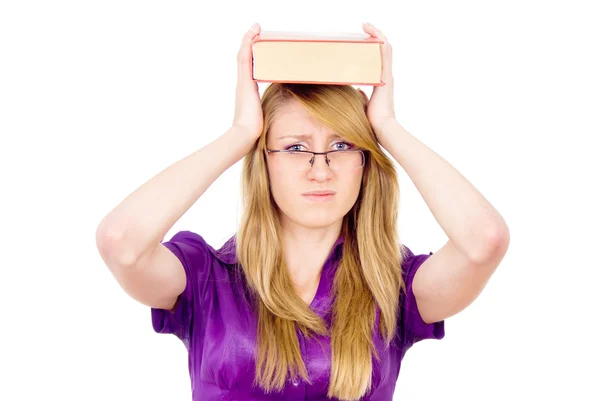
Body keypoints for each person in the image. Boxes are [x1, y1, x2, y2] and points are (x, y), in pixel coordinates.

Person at [96, 22, 509, 401]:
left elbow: (483, 241)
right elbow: (122, 243)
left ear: (365, 163)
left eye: (342, 145)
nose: (320, 169)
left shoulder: (394, 285)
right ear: (266, 161)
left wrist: (387, 127)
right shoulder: (207, 275)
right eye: (295, 147)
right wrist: (240, 134)